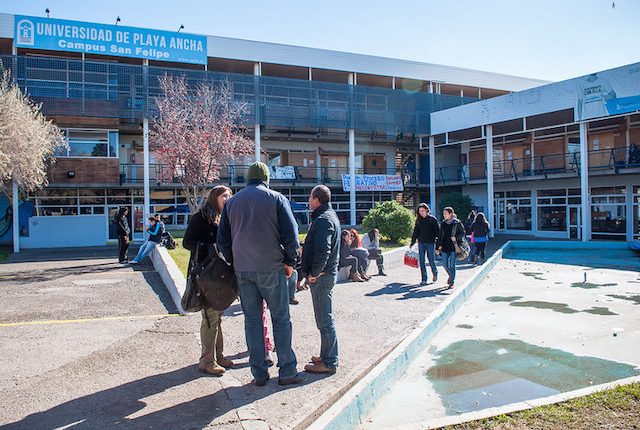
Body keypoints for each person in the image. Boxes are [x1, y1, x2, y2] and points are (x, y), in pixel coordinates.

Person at [217, 161, 304, 387]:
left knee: (252, 321)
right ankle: (287, 371)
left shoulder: (231, 202)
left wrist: (234, 260)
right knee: (281, 319)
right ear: (266, 178)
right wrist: (290, 262)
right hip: (271, 268)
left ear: (248, 178)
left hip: (243, 270)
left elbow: (222, 240)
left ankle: (259, 373)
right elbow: (291, 236)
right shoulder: (276, 198)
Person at [183, 185, 234, 375]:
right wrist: (211, 247)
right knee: (210, 317)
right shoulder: (201, 217)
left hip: (221, 274)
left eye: (229, 195)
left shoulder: (226, 218)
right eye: (224, 196)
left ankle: (218, 356)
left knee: (217, 315)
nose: (228, 199)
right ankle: (207, 360)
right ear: (215, 198)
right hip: (205, 274)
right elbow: (187, 242)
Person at [302, 185, 341, 375]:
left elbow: (323, 250)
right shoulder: (327, 216)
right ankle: (326, 355)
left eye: (310, 198)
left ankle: (329, 362)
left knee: (325, 321)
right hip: (325, 276)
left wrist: (314, 273)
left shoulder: (324, 220)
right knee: (324, 320)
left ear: (317, 200)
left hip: (322, 277)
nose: (308, 201)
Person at [410, 203, 440, 286]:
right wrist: (412, 242)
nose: (421, 212)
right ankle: (424, 278)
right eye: (420, 211)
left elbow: (438, 232)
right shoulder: (418, 220)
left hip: (430, 243)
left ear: (427, 210)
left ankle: (435, 273)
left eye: (423, 210)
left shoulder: (432, 219)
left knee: (431, 260)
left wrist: (438, 244)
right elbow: (415, 232)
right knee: (422, 261)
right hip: (421, 243)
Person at [436, 207, 466, 289]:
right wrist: (438, 247)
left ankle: (451, 282)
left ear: (450, 214)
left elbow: (463, 233)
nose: (444, 215)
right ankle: (451, 276)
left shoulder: (457, 223)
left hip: (454, 247)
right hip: (444, 247)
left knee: (452, 265)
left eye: (446, 213)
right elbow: (440, 235)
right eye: (443, 213)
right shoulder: (443, 223)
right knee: (444, 264)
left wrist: (456, 238)